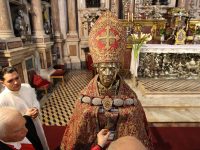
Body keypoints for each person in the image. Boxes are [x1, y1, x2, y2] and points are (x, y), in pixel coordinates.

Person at [61, 11, 153, 150]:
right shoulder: (86, 95)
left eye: (112, 68)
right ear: (96, 67)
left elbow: (134, 114)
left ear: (118, 68)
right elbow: (82, 117)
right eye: (103, 68)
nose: (108, 73)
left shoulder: (129, 96)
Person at [0, 67, 49, 150]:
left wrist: (36, 109)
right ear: (2, 83)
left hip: (36, 123)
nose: (15, 82)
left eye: (17, 78)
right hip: (22, 133)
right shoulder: (2, 100)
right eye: (10, 81)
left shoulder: (27, 87)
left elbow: (35, 101)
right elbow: (5, 125)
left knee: (41, 142)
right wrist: (26, 116)